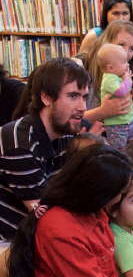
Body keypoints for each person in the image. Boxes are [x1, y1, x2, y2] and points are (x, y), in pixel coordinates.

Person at [5, 144, 133, 277]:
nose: (122, 194)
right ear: (100, 192)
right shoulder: (61, 228)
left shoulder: (96, 210)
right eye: (123, 191)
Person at [0, 58, 90, 241]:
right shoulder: (18, 143)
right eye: (73, 96)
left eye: (84, 97)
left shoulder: (66, 132)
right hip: (11, 243)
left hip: (39, 235)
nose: (83, 107)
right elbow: (45, 213)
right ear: (46, 97)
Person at [82, 20, 133, 125]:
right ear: (107, 42)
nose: (125, 52)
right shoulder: (82, 65)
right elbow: (68, 117)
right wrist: (102, 112)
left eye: (132, 49)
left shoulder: (129, 70)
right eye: (121, 44)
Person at [79, 0, 133, 81]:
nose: (121, 18)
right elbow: (79, 66)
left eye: (125, 13)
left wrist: (131, 81)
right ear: (106, 14)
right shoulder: (93, 36)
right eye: (116, 13)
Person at [98, 44, 133, 149]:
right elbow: (121, 92)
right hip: (116, 124)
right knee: (119, 150)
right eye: (124, 62)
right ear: (110, 68)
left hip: (130, 119)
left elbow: (128, 88)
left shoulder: (121, 76)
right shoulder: (109, 79)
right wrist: (126, 79)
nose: (128, 65)